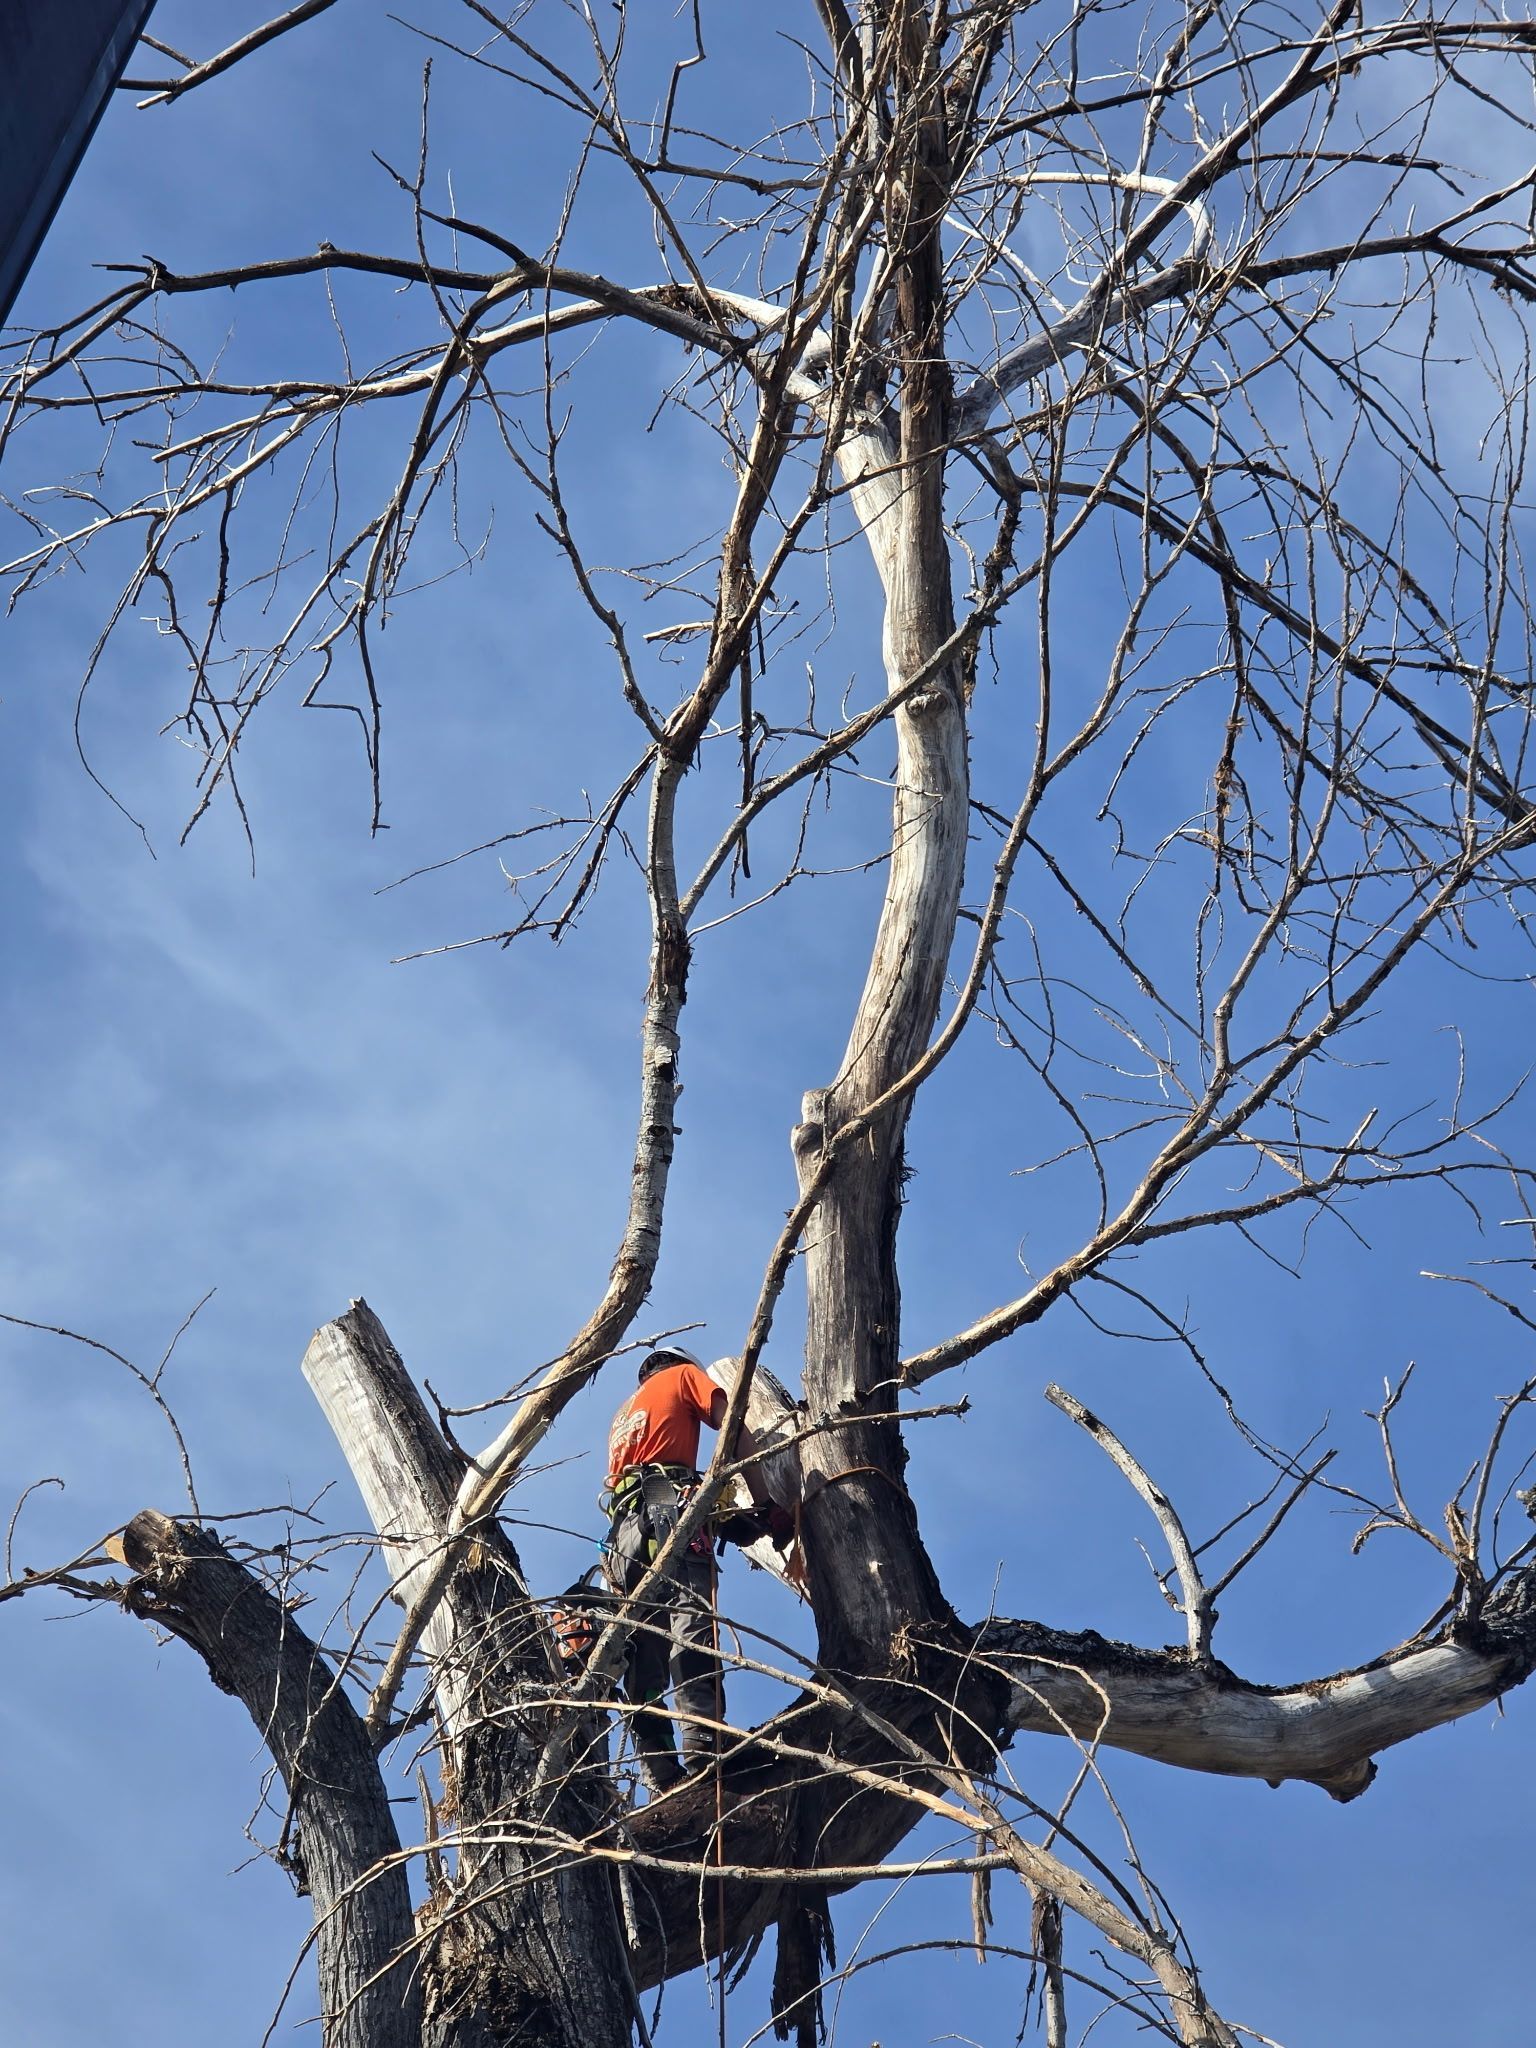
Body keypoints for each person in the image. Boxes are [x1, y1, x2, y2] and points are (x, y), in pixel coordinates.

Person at [601, 1343, 781, 1791]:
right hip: (667, 1509)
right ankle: (704, 1739)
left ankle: (659, 1770)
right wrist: (765, 1503)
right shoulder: (682, 1377)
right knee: (691, 1617)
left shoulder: (625, 1414)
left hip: (622, 1536)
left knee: (644, 1646)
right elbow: (733, 1424)